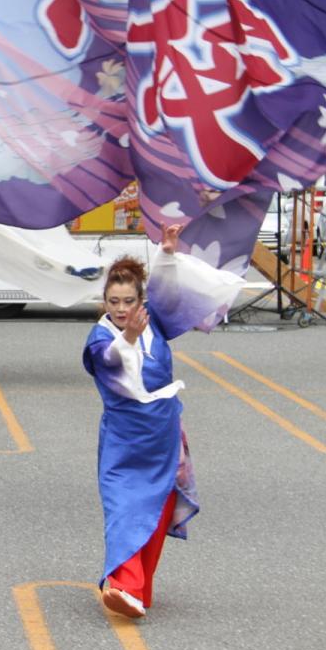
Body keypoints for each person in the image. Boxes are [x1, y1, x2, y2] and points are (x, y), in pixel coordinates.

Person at [83, 224, 243, 619]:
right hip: (124, 441)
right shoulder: (101, 338)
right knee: (123, 508)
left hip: (165, 435)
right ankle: (122, 585)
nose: (120, 309)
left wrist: (167, 255)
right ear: (103, 301)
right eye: (113, 301)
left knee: (156, 511)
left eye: (127, 301)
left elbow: (170, 296)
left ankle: (137, 588)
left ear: (141, 300)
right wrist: (127, 340)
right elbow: (109, 361)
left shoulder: (155, 321)